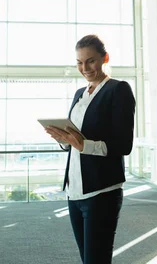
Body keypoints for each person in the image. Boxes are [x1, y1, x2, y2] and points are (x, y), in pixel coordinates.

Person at [45, 34, 136, 264]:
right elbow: (74, 140)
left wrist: (83, 145)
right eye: (79, 62)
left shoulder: (118, 90)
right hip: (74, 191)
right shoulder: (79, 94)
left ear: (105, 58)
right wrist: (63, 139)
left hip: (102, 191)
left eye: (90, 61)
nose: (84, 68)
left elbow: (124, 145)